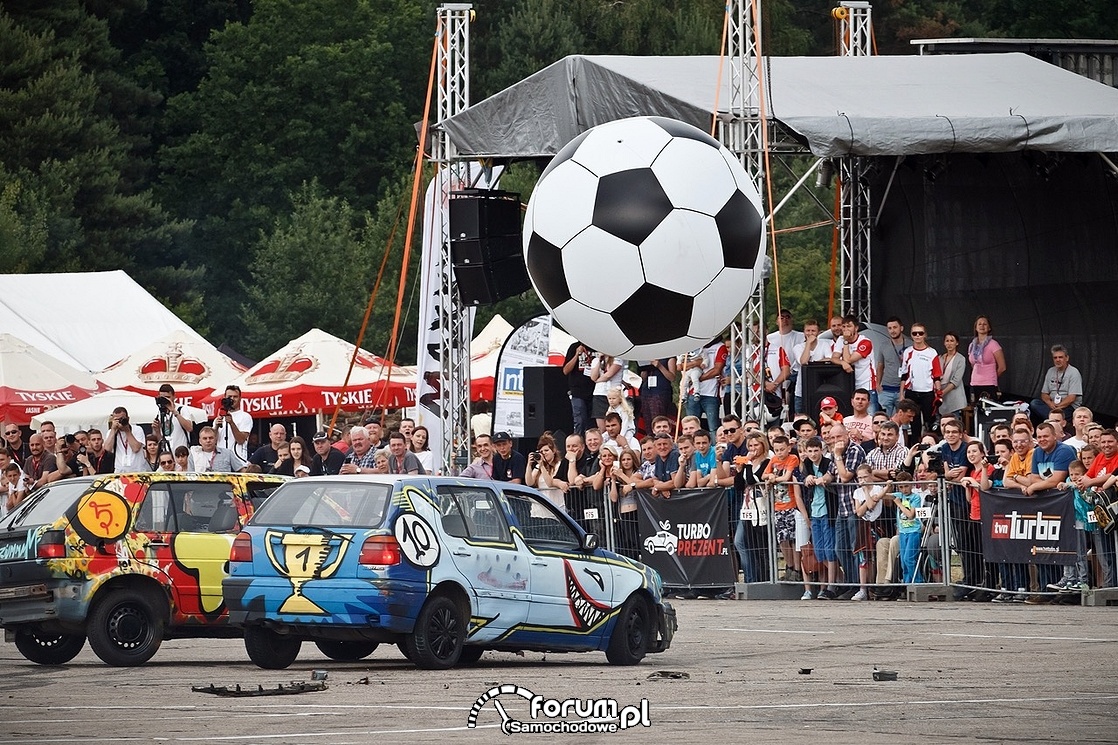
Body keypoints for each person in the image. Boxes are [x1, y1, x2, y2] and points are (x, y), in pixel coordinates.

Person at [796, 437, 836, 599]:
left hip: (828, 510)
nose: (813, 454)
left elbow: (830, 476)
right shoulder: (806, 465)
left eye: (815, 450)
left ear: (821, 450)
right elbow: (803, 478)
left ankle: (832, 586)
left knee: (829, 550)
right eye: (810, 451)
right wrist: (807, 479)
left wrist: (822, 479)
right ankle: (840, 579)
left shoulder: (827, 462)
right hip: (815, 511)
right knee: (819, 551)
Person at [1050, 460, 1093, 592]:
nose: (1074, 477)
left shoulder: (1084, 483)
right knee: (1067, 550)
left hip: (1081, 521)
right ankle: (1068, 578)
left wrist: (1067, 484)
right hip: (1068, 521)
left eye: (1077, 474)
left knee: (1080, 552)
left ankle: (1083, 580)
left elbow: (1078, 487)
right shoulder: (1068, 482)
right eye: (1072, 474)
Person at [899, 323, 941, 437]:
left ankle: (931, 445)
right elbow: (904, 374)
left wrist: (939, 393)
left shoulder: (932, 352)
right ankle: (915, 446)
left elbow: (936, 375)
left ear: (925, 335)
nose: (917, 336)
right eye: (914, 333)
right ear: (911, 335)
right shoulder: (908, 352)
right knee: (913, 422)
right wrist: (901, 394)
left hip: (927, 392)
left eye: (920, 333)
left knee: (929, 421)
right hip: (912, 391)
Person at [832, 316, 876, 413]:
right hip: (850, 384)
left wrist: (846, 342)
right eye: (843, 327)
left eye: (849, 326)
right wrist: (842, 362)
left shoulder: (865, 342)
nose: (845, 329)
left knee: (870, 414)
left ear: (856, 328)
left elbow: (849, 359)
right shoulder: (840, 339)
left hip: (866, 383)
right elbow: (834, 358)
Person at [1030, 344, 1083, 423]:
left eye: (1060, 357)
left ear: (1067, 358)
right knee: (1034, 403)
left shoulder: (1074, 372)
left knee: (1062, 413)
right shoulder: (1050, 371)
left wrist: (1058, 407)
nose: (1058, 360)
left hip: (1067, 407)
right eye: (1055, 358)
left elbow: (1072, 398)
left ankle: (1051, 420)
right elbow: (1044, 394)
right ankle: (1054, 419)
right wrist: (1050, 403)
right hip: (1052, 405)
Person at [683, 337, 726, 432]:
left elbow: (717, 369)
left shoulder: (720, 347)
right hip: (692, 392)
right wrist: (694, 364)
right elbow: (682, 366)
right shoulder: (695, 346)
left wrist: (699, 379)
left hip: (711, 393)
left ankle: (715, 446)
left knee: (713, 427)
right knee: (691, 427)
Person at [793, 318, 830, 416]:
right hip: (801, 391)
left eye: (813, 331)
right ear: (804, 332)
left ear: (818, 332)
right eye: (808, 331)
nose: (810, 333)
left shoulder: (825, 344)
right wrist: (808, 344)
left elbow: (829, 359)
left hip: (820, 387)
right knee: (800, 419)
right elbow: (804, 361)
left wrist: (813, 362)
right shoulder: (798, 347)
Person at [968, 316, 1006, 403]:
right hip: (975, 383)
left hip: (989, 383)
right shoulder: (972, 345)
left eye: (985, 324)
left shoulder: (994, 344)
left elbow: (1002, 367)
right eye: (979, 324)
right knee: (976, 409)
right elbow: (973, 364)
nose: (982, 326)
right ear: (976, 328)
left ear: (989, 328)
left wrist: (991, 377)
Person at [877, 317, 910, 417]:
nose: (892, 330)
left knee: (904, 421)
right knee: (885, 420)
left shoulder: (911, 345)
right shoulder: (883, 346)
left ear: (901, 328)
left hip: (905, 389)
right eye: (890, 328)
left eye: (895, 327)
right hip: (886, 389)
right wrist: (878, 384)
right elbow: (880, 366)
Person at [526, 433, 568, 508]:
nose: (544, 453)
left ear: (554, 451)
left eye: (546, 450)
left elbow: (550, 483)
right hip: (539, 508)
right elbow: (529, 482)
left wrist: (542, 466)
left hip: (555, 507)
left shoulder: (559, 465)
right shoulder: (538, 466)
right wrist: (529, 465)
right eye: (541, 451)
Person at [563, 341, 596, 436]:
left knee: (593, 423)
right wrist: (577, 354)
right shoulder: (574, 347)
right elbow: (565, 370)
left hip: (594, 391)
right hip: (578, 391)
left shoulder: (597, 346)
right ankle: (578, 442)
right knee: (580, 420)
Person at [214, 385, 252, 467]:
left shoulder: (245, 417)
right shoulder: (219, 417)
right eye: (229, 396)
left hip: (238, 460)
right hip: (221, 460)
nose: (232, 399)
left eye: (235, 397)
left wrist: (232, 423)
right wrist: (216, 427)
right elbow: (212, 441)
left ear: (240, 398)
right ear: (225, 397)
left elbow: (241, 440)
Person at [153, 384, 194, 454]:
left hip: (181, 453)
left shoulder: (181, 409)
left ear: (174, 397)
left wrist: (174, 411)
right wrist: (156, 430)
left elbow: (189, 428)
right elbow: (160, 439)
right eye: (163, 398)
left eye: (168, 397)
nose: (165, 400)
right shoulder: (160, 412)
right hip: (167, 454)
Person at [589, 353, 625, 431]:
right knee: (602, 427)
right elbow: (593, 376)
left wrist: (597, 380)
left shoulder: (617, 359)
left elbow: (608, 375)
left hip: (614, 394)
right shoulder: (595, 360)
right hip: (599, 394)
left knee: (614, 423)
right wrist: (599, 360)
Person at [637, 357, 676, 428]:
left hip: (660, 391)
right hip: (646, 390)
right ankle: (650, 437)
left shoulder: (669, 357)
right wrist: (644, 369)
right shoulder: (650, 356)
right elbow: (643, 378)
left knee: (658, 419)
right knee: (647, 420)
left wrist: (660, 366)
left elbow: (672, 377)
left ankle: (660, 436)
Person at [938, 332, 967, 422]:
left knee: (954, 424)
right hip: (941, 397)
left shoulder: (960, 359)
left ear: (956, 343)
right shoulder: (940, 358)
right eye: (947, 341)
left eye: (952, 341)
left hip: (954, 397)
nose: (949, 343)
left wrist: (942, 393)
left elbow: (956, 381)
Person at [105, 407, 145, 473]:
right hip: (119, 471)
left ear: (128, 418)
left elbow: (136, 448)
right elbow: (107, 449)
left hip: (137, 470)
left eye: (122, 419)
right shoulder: (111, 432)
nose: (120, 421)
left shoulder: (137, 429)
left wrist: (127, 431)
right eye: (117, 419)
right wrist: (113, 430)